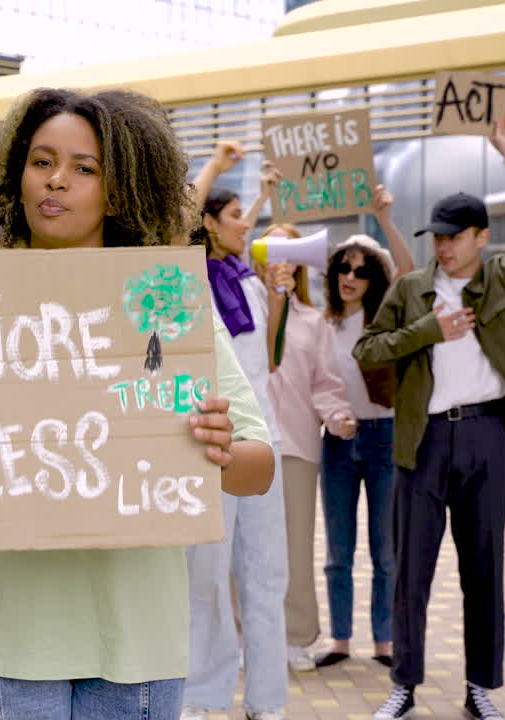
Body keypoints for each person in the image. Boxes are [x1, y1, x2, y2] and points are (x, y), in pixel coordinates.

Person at [0, 87, 275, 720]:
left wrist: (219, 450)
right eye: (41, 161)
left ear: (120, 189)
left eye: (85, 168)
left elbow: (258, 467)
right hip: (1, 644)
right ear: (16, 174)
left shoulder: (165, 297)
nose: (56, 180)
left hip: (139, 645)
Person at [354, 126, 505, 720]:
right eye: (438, 236)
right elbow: (368, 351)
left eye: (454, 236)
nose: (443, 246)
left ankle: (480, 688)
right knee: (411, 572)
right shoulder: (411, 289)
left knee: (484, 568)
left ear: (482, 236)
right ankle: (404, 686)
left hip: (483, 435)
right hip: (421, 440)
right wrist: (428, 330)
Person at [182, 146, 291, 720]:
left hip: (263, 442)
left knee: (267, 576)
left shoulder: (247, 280)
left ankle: (267, 699)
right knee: (205, 576)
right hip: (212, 447)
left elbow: (269, 358)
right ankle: (201, 694)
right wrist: (215, 170)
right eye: (234, 217)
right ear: (207, 224)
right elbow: (180, 223)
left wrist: (278, 294)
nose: (246, 226)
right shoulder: (189, 280)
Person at [313, 188, 415, 671]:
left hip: (384, 437)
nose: (350, 277)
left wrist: (385, 219)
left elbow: (409, 274)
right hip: (337, 442)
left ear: (375, 279)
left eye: (361, 271)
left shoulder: (387, 317)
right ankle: (340, 639)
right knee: (338, 551)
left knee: (386, 551)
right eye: (343, 268)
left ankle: (385, 641)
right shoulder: (321, 323)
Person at [258, 219, 356, 675]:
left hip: (297, 447)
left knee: (296, 547)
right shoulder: (241, 311)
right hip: (249, 447)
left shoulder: (314, 323)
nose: (280, 260)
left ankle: (295, 636)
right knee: (247, 547)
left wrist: (339, 417)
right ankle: (246, 635)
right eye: (271, 249)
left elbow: (325, 385)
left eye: (289, 252)